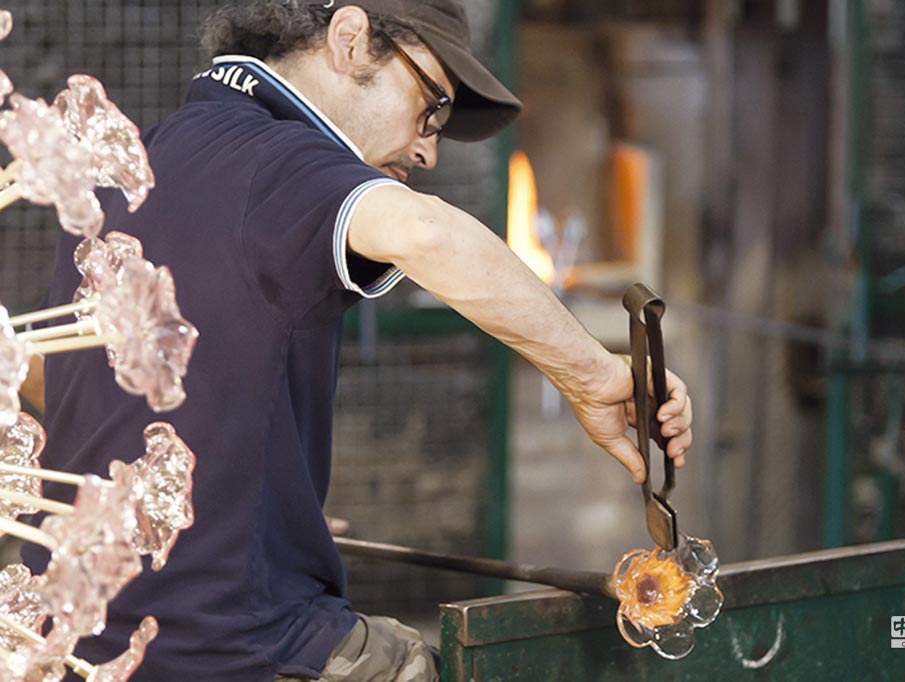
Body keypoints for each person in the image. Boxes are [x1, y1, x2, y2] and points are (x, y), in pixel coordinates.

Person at [23, 1, 694, 680]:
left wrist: (269, 505)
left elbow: (59, 382)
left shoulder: (135, 165)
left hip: (78, 646)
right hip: (235, 649)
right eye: (430, 105)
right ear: (349, 40)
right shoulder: (284, 158)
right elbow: (427, 234)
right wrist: (591, 375)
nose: (429, 148)